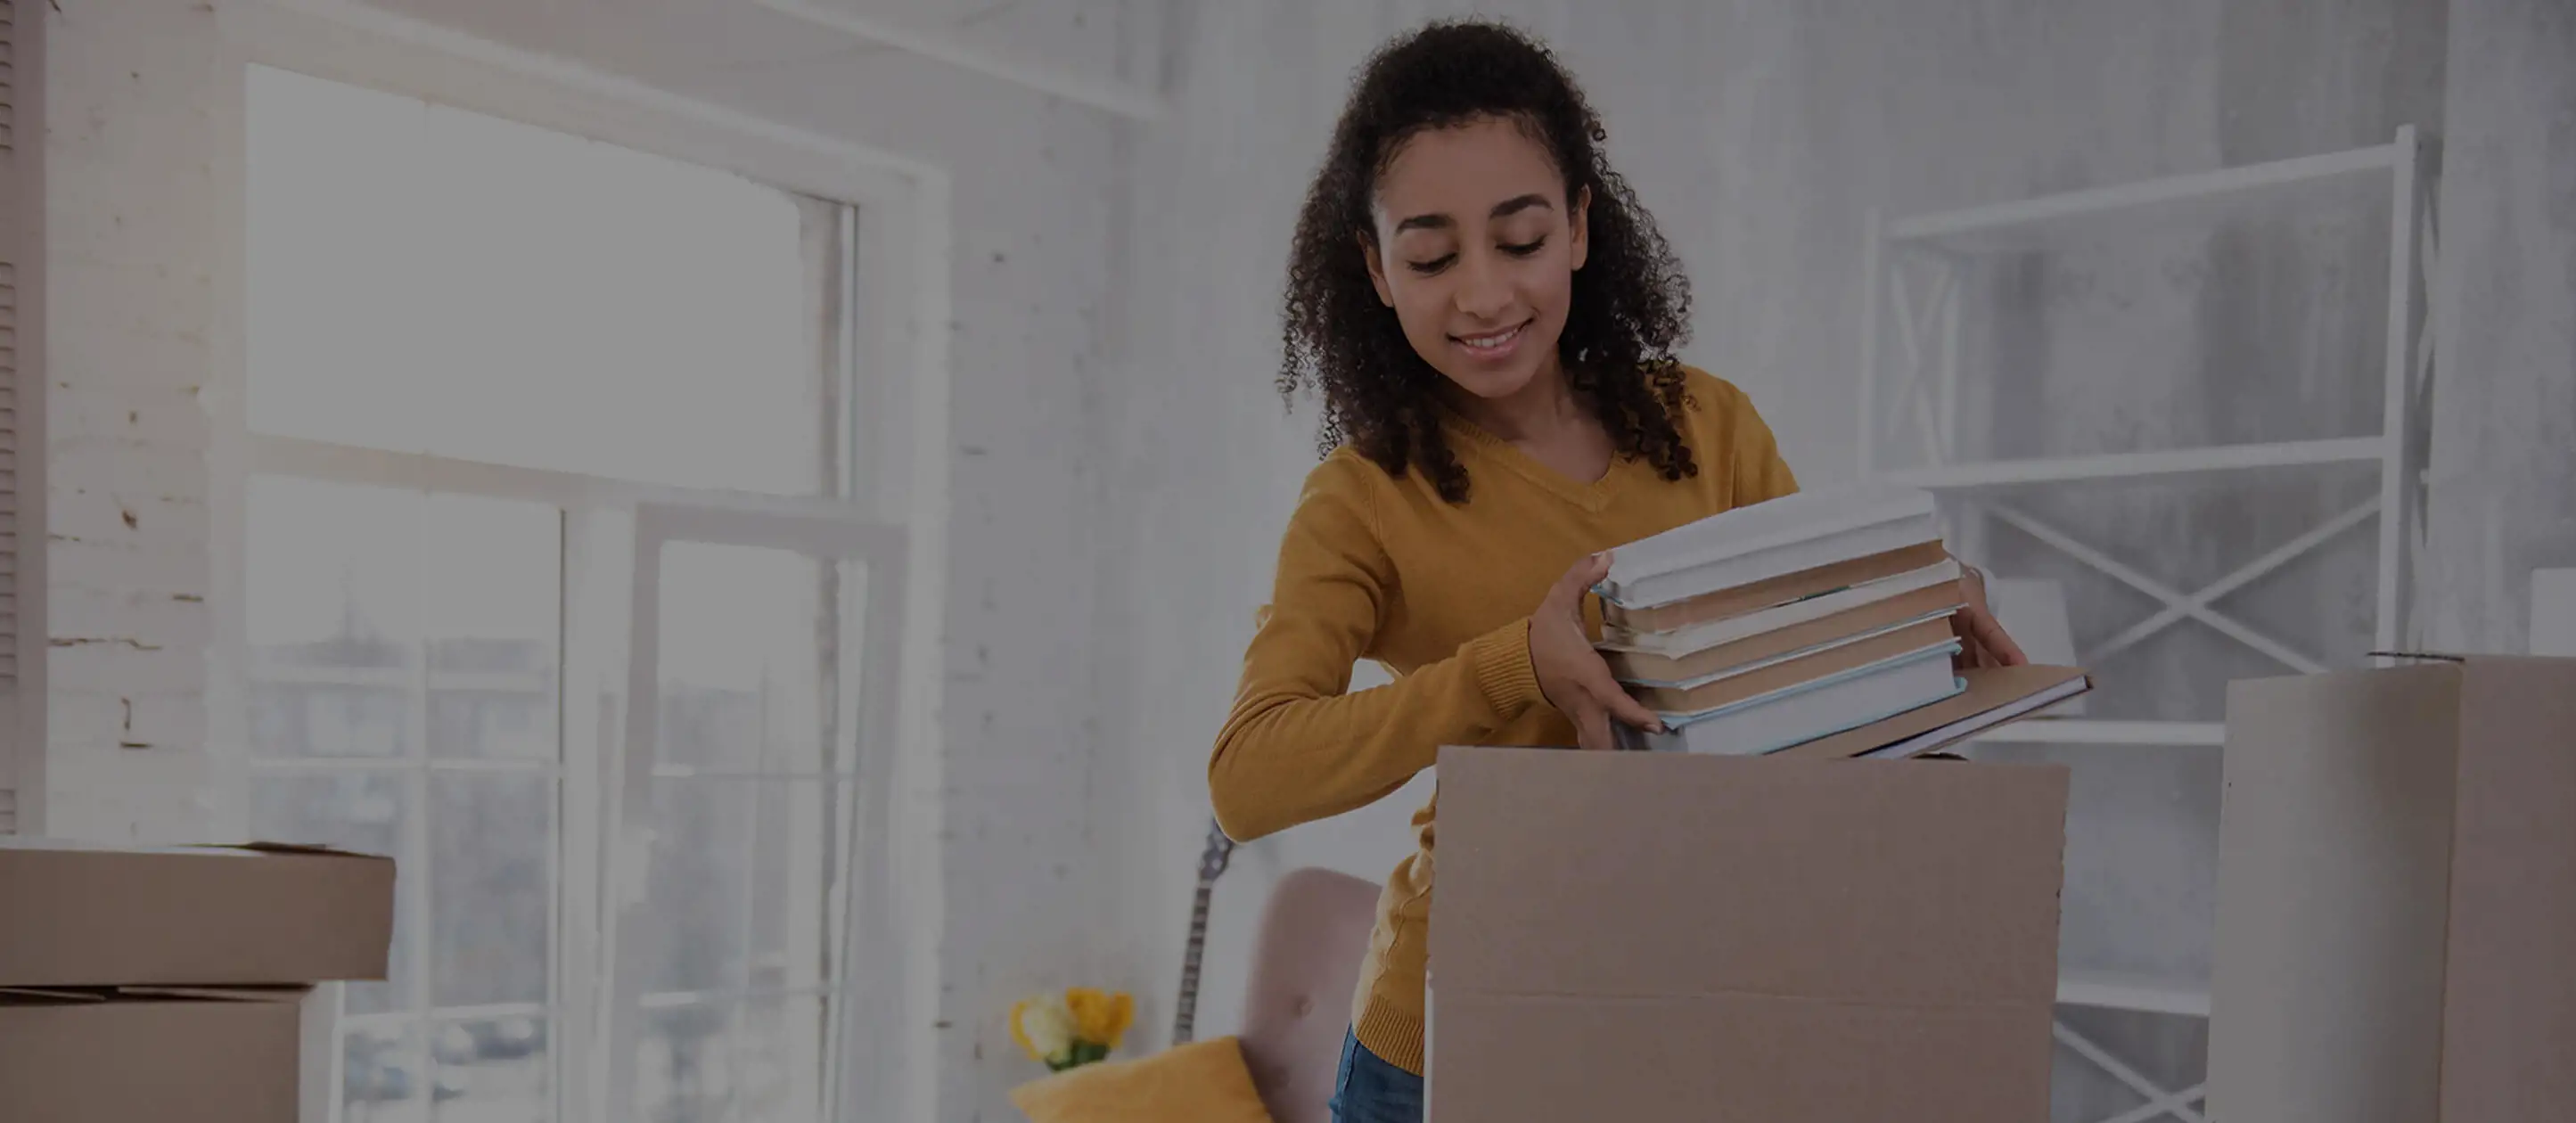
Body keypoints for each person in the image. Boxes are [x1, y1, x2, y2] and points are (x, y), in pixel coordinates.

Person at [1205, 20, 2026, 1123]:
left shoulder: (1707, 425)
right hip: (1448, 1032)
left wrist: (1915, 607)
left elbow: (1806, 681)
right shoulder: (1364, 499)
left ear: (1581, 228)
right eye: (1433, 256)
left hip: (1694, 997)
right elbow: (1248, 779)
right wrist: (1508, 670)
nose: (1485, 296)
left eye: (1521, 239)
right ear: (1376, 269)